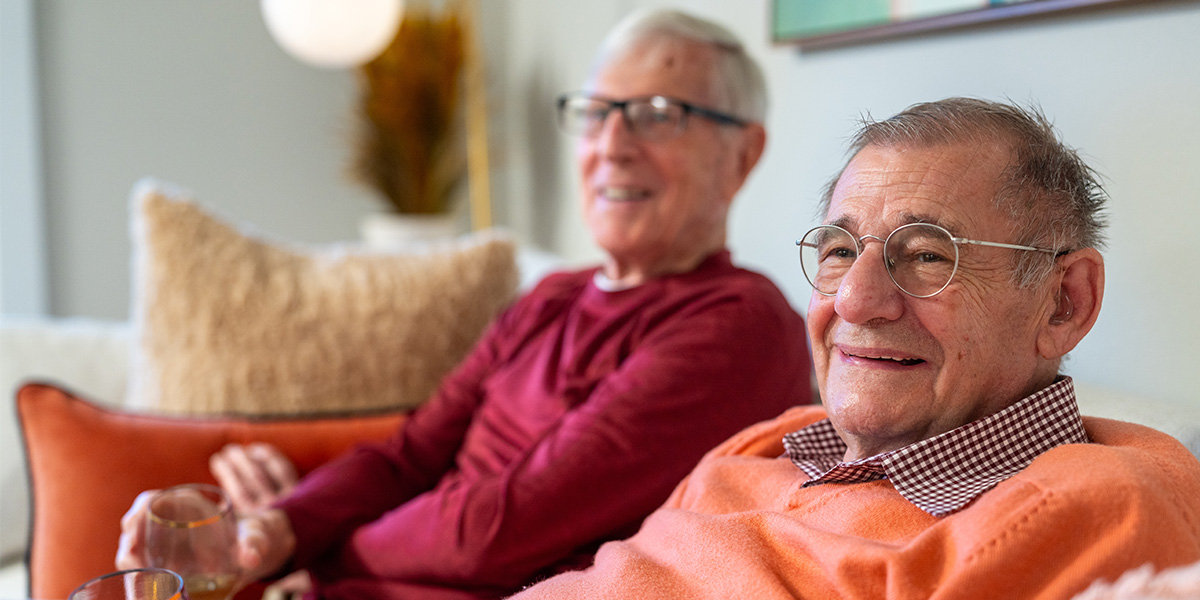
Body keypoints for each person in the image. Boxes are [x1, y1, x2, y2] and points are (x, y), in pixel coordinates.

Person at [116, 9, 814, 600]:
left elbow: (496, 532)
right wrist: (273, 528)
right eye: (597, 112)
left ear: (743, 155)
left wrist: (298, 548)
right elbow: (409, 455)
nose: (611, 146)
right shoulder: (552, 298)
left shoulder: (738, 325)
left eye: (659, 116)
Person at [509, 98, 1200, 599]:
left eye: (928, 255)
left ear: (1064, 302)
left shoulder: (1094, 506)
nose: (855, 300)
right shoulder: (771, 445)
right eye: (840, 250)